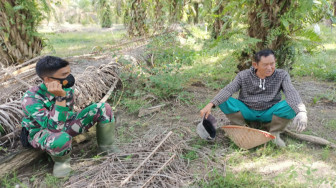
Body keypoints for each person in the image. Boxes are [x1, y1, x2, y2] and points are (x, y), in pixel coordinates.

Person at [21, 56, 119, 177]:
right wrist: (60, 98)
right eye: (64, 74)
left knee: (103, 108)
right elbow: (54, 128)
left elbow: (67, 113)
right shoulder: (31, 98)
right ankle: (61, 163)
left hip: (64, 123)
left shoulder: (66, 87)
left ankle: (107, 148)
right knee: (60, 137)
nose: (69, 77)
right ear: (47, 79)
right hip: (43, 132)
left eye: (69, 72)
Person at [200, 49, 308, 147]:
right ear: (255, 65)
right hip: (247, 110)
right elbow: (229, 89)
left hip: (269, 111)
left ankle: (274, 133)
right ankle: (242, 128)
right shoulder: (243, 75)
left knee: (290, 104)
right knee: (225, 99)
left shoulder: (282, 75)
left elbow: (291, 92)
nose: (270, 68)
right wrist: (211, 104)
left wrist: (301, 112)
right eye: (265, 65)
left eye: (272, 64)